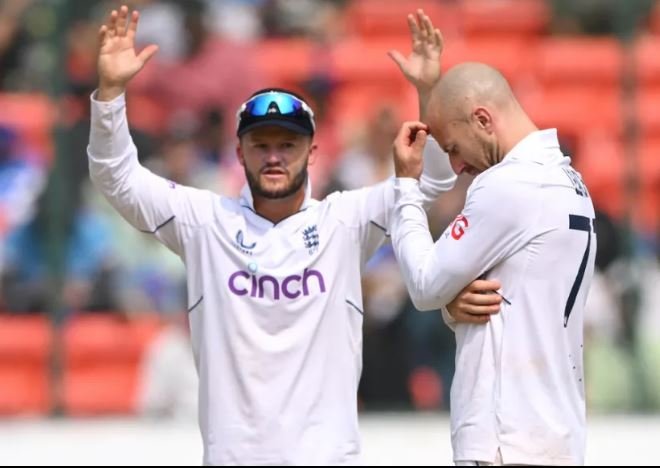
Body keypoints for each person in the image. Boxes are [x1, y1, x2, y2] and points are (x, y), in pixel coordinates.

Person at [88, 6, 489, 465]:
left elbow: (434, 180)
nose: (274, 157)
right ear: (239, 153)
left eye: (288, 145)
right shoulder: (205, 222)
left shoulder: (344, 221)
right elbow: (116, 177)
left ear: (312, 152)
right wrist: (111, 93)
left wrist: (429, 93)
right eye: (260, 145)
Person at [389, 23, 596, 467]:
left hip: (506, 439)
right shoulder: (568, 181)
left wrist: (405, 186)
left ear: (483, 120)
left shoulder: (508, 185)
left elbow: (424, 283)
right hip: (553, 434)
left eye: (453, 148)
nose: (456, 166)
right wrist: (452, 305)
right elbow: (515, 294)